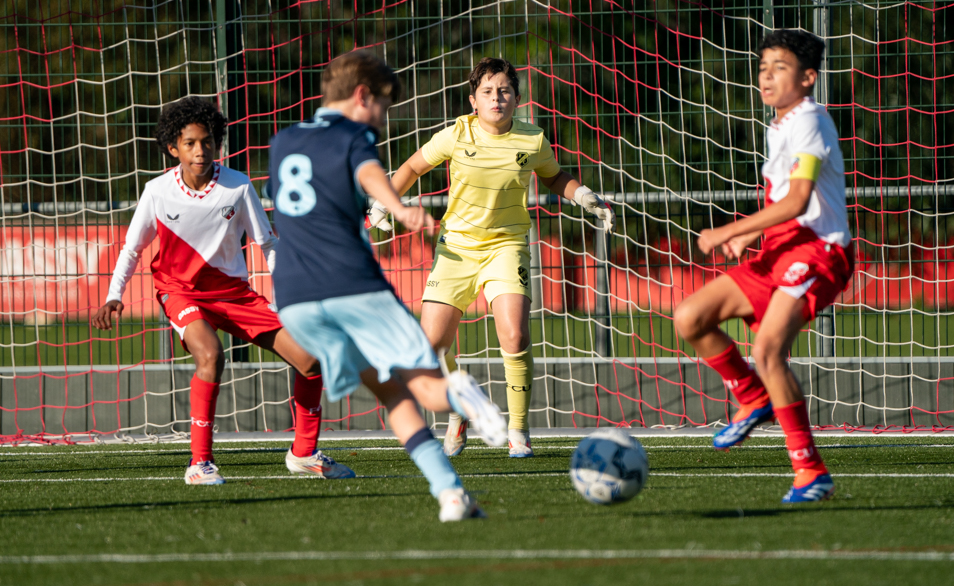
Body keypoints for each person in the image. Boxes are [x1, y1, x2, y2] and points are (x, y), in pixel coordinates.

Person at [268, 50, 507, 521]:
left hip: (295, 301)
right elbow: (366, 171)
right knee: (427, 385)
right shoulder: (353, 135)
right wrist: (398, 209)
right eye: (382, 105)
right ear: (362, 96)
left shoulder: (283, 140)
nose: (382, 118)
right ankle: (461, 395)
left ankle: (451, 494)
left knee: (391, 393)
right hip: (351, 287)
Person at [92, 96, 354, 485]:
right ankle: (200, 463)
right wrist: (114, 294)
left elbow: (268, 244)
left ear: (217, 143)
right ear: (173, 148)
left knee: (311, 359)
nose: (200, 150)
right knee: (211, 355)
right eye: (190, 143)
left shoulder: (238, 186)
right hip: (181, 292)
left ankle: (303, 453)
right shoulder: (157, 191)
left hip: (235, 295)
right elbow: (132, 249)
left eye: (207, 142)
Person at [367, 57, 616, 458]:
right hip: (456, 249)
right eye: (487, 92)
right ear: (474, 101)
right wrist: (384, 203)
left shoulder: (532, 139)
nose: (496, 98)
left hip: (507, 246)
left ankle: (518, 430)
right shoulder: (456, 133)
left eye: (504, 91)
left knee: (514, 335)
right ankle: (459, 407)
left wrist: (584, 196)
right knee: (431, 346)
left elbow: (553, 176)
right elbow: (412, 166)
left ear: (516, 98)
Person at [673, 29, 853, 503]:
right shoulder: (781, 125)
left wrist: (728, 230)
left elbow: (798, 200)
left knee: (769, 350)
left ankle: (810, 471)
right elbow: (787, 201)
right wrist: (754, 234)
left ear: (808, 77)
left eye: (780, 67)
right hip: (781, 250)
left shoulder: (810, 119)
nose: (767, 76)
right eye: (763, 67)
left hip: (819, 252)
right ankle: (753, 397)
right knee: (690, 317)